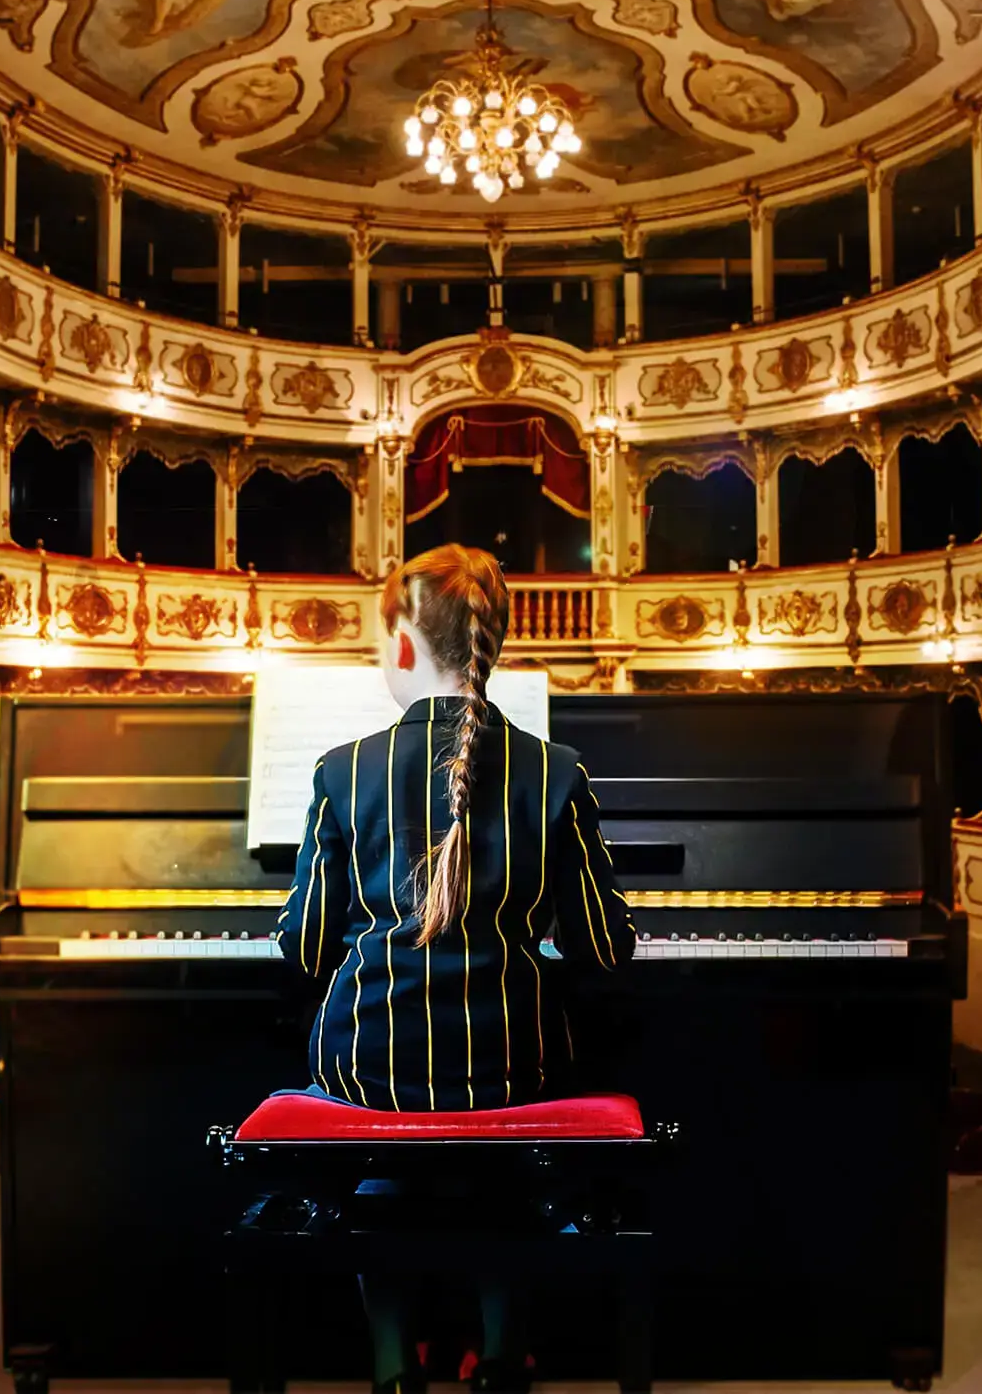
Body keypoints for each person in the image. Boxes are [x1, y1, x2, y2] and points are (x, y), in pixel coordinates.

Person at [275, 544, 637, 1393]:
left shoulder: (341, 770)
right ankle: (503, 1355)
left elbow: (302, 947)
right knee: (503, 1153)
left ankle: (394, 1360)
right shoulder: (559, 772)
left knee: (381, 1134)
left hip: (371, 1071)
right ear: (494, 645)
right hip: (511, 1065)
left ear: (403, 645)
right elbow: (605, 946)